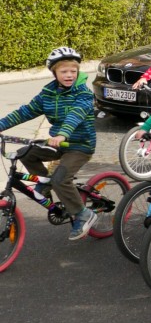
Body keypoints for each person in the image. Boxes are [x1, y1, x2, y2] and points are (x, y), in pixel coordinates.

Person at [0, 47, 98, 241]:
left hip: (80, 145)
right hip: (57, 143)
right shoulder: (48, 94)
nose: (69, 75)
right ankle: (45, 183)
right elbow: (24, 112)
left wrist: (62, 134)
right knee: (25, 153)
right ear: (54, 73)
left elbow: (75, 114)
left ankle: (83, 214)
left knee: (61, 178)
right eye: (64, 71)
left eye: (73, 71)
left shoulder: (83, 94)